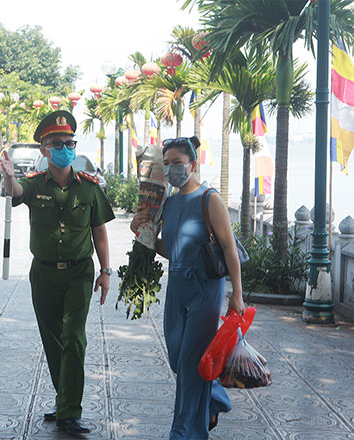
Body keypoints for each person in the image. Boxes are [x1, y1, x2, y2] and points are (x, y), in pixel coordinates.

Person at [0, 110, 114, 434]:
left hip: (79, 273)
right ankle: (64, 399)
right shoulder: (35, 185)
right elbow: (15, 194)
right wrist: (8, 176)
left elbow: (100, 233)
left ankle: (69, 411)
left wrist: (106, 271)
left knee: (74, 338)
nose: (65, 147)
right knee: (52, 339)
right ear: (44, 150)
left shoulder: (90, 187)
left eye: (69, 142)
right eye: (57, 143)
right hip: (44, 273)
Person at [130, 136, 245, 440]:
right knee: (178, 357)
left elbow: (229, 249)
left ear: (193, 165)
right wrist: (139, 230)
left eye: (178, 163)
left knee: (191, 364)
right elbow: (169, 248)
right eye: (166, 164)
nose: (171, 170)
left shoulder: (210, 199)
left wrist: (238, 293)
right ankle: (214, 398)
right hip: (177, 285)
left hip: (206, 289)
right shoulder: (170, 203)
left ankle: (184, 432)